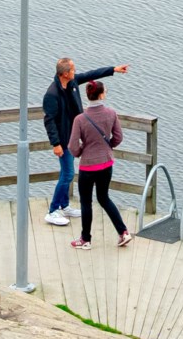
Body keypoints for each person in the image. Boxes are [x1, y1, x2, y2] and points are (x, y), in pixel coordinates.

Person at [41, 56, 128, 228]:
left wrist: (113, 69)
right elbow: (49, 120)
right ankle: (52, 211)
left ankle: (64, 206)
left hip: (73, 136)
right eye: (72, 69)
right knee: (67, 174)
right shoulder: (51, 94)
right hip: (63, 140)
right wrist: (56, 143)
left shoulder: (72, 83)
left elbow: (91, 74)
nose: (75, 71)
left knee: (66, 173)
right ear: (65, 73)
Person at [69, 78, 130, 247]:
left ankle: (86, 240)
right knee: (104, 198)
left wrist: (82, 151)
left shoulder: (80, 119)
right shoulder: (111, 113)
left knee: (86, 202)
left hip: (87, 166)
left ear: (88, 95)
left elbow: (73, 147)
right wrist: (108, 146)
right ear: (101, 95)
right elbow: (118, 137)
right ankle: (123, 231)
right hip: (106, 164)